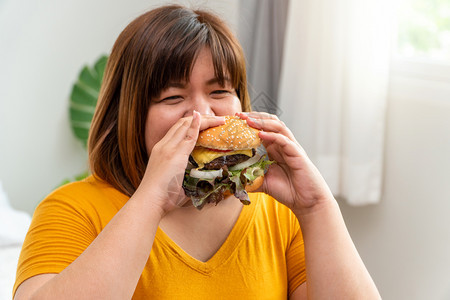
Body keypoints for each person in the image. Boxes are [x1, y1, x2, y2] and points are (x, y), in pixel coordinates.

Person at [13, 5, 380, 299]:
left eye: (219, 92)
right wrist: (152, 199)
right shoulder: (71, 211)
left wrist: (316, 208)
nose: (203, 115)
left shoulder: (279, 215)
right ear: (128, 114)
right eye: (172, 97)